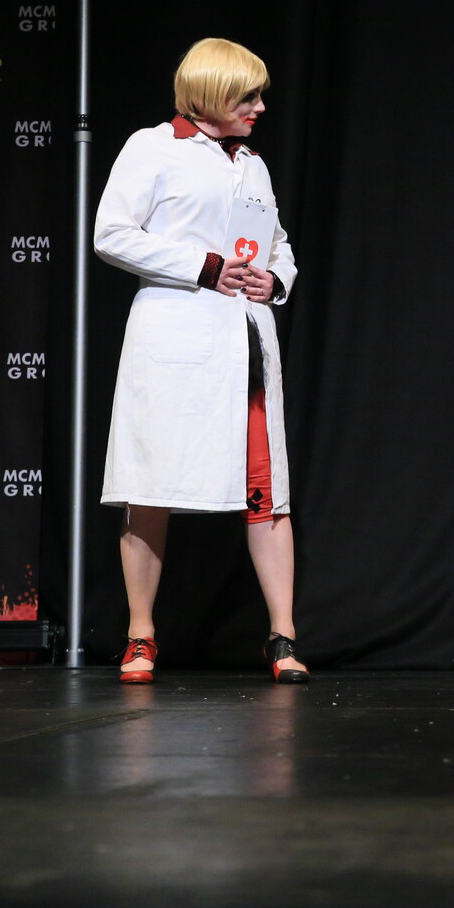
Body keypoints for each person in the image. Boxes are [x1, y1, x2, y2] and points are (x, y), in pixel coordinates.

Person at [94, 37, 308, 684]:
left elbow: (278, 244)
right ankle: (140, 635)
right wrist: (204, 266)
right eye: (249, 97)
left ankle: (282, 637)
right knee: (150, 486)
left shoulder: (254, 166)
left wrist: (277, 279)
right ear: (212, 94)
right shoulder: (152, 148)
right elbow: (112, 234)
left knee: (266, 493)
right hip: (174, 343)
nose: (261, 108)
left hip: (244, 346)